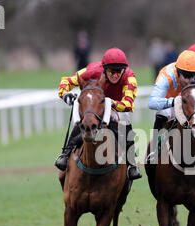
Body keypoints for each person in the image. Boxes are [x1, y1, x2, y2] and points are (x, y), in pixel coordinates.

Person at [55, 48, 142, 180]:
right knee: (84, 120)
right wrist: (65, 94)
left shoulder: (129, 77)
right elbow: (66, 81)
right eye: (112, 71)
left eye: (119, 71)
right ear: (104, 69)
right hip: (94, 105)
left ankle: (131, 165)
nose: (115, 75)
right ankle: (65, 154)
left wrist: (111, 103)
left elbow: (128, 104)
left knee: (125, 122)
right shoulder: (92, 71)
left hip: (116, 107)